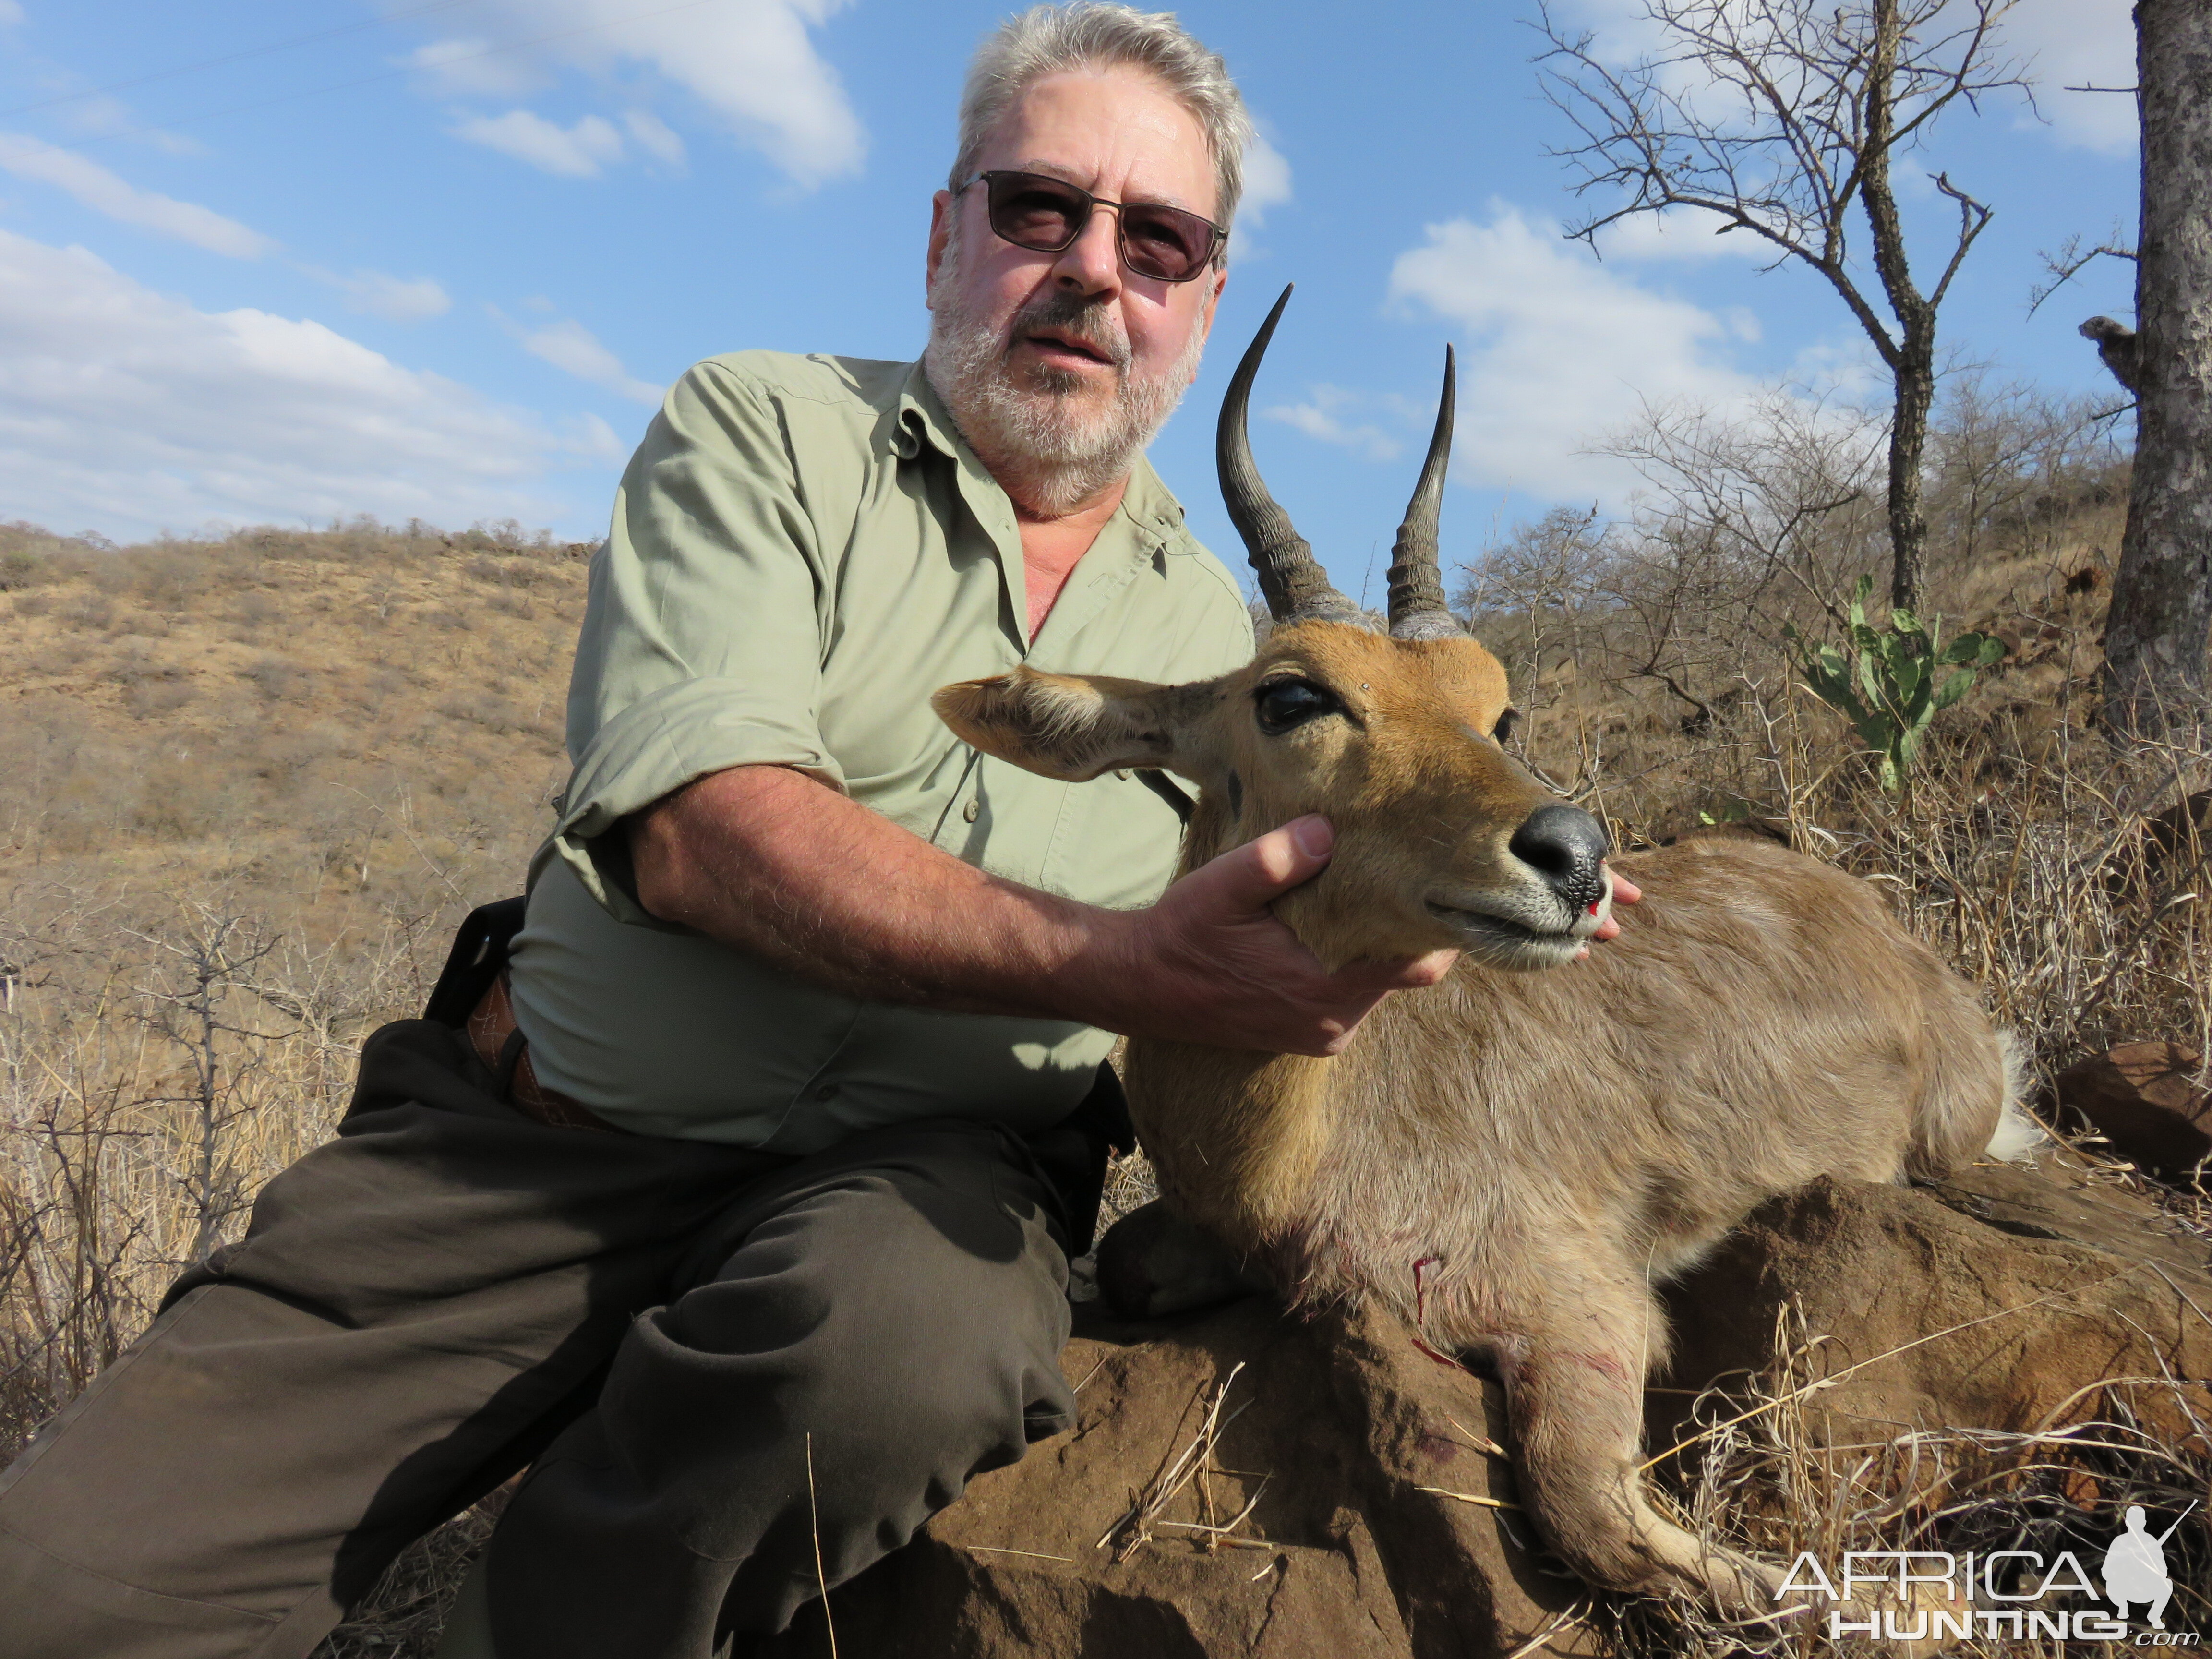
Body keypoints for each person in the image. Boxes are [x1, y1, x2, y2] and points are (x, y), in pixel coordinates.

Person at [0, 8, 1461, 1657]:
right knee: (53, 1597)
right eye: (1039, 208)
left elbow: (1348, 896)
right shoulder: (762, 429)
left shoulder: (1238, 647)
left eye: (1159, 239)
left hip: (919, 1194)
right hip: (541, 1146)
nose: (1092, 270)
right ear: (944, 234)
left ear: (1197, 296)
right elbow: (701, 834)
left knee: (901, 1350)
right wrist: (1120, 962)